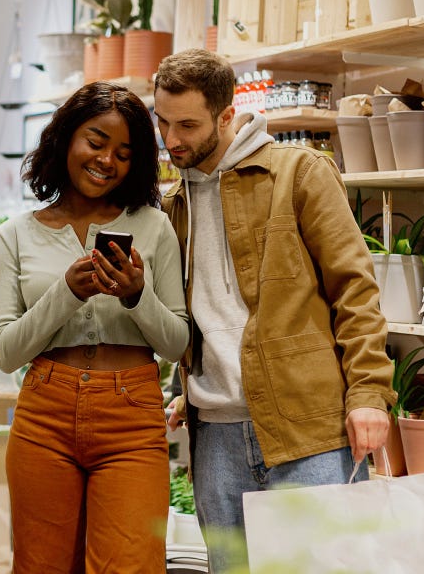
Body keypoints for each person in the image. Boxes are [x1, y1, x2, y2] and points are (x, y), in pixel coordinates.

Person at [153, 49, 395, 573]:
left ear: (226, 114)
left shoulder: (298, 173)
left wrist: (370, 392)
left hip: (306, 426)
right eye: (163, 123)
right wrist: (183, 388)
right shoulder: (174, 206)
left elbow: (355, 288)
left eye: (188, 125)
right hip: (214, 434)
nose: (173, 140)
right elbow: (199, 312)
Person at [0, 81, 190, 573]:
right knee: (41, 566)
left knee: (131, 564)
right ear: (66, 139)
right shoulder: (15, 235)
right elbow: (6, 352)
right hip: (44, 416)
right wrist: (67, 293)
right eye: (96, 143)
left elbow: (178, 342)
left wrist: (136, 295)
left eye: (123, 153)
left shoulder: (152, 225)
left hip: (132, 415)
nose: (106, 161)